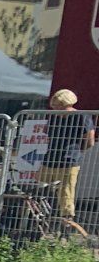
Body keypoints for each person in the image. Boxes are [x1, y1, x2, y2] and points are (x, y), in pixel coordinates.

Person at [40, 88, 94, 223]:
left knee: (66, 194)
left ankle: (66, 224)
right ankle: (40, 218)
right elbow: (47, 134)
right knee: (39, 189)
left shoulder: (82, 116)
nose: (56, 109)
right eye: (55, 106)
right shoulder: (53, 116)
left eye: (59, 106)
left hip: (69, 161)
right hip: (49, 159)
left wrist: (77, 152)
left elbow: (90, 140)